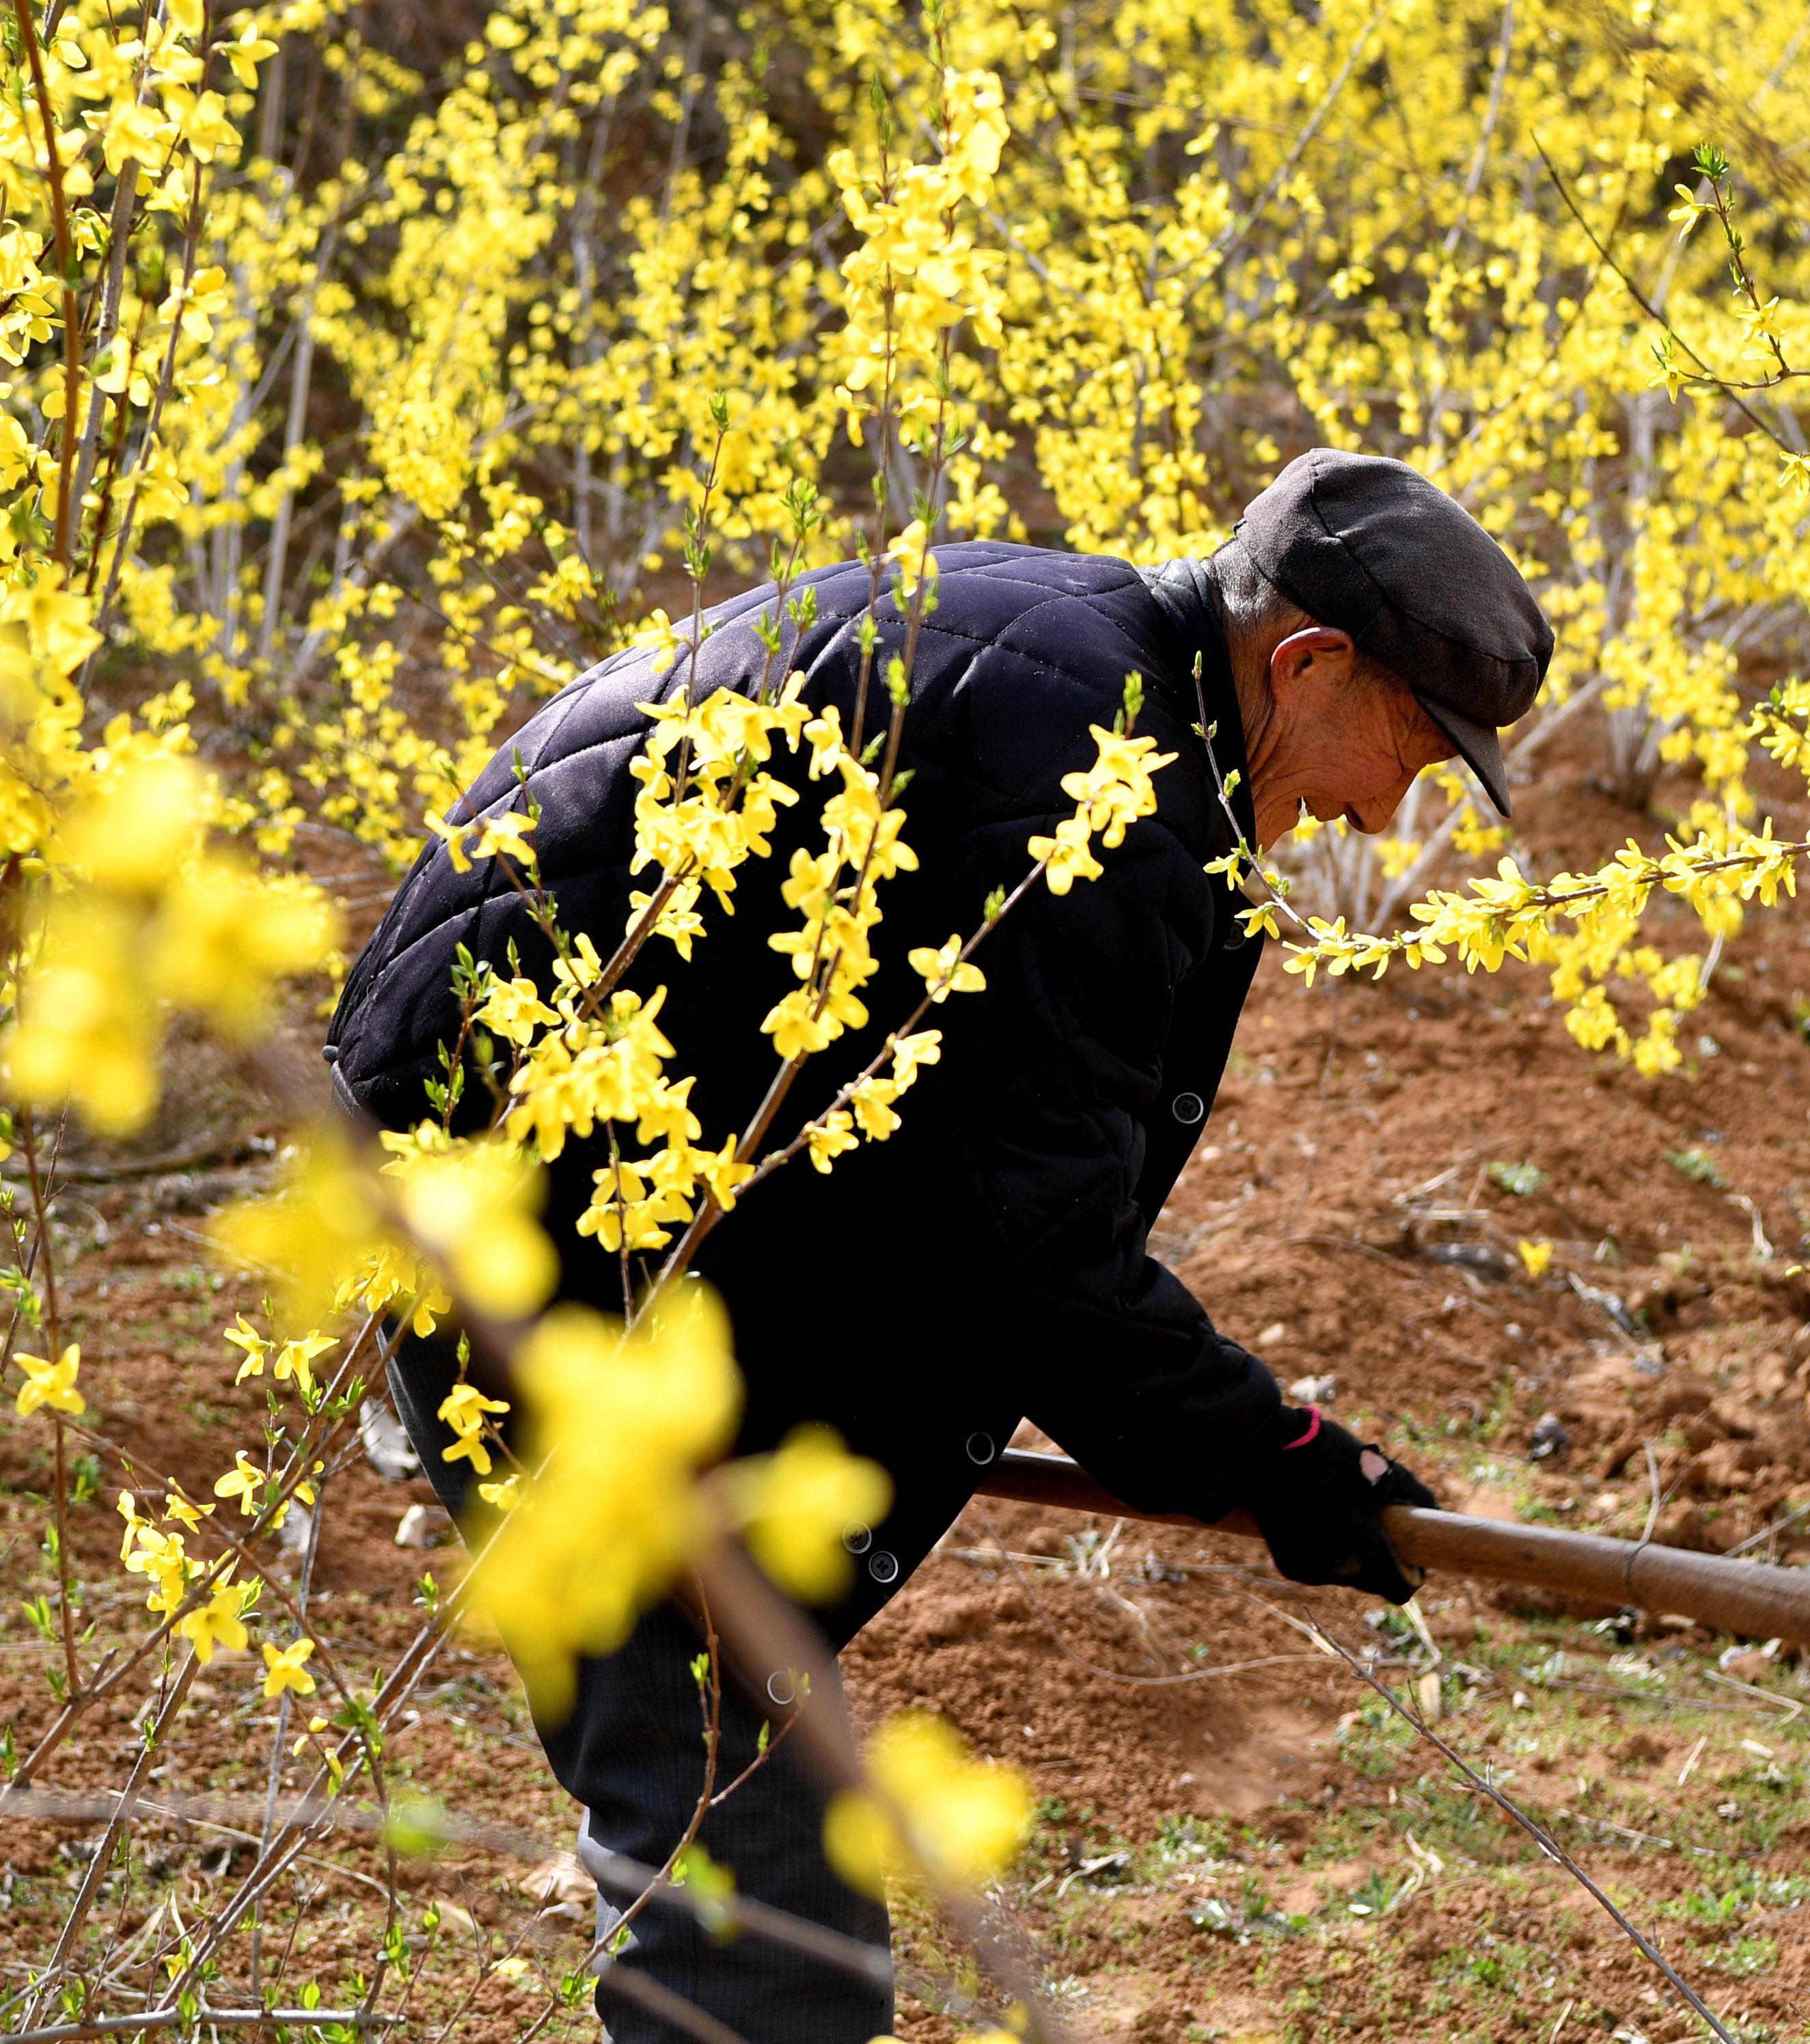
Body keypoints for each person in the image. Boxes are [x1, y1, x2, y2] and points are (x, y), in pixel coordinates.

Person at [323, 451, 1554, 2044]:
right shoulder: (1089, 771)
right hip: (525, 1234)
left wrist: (1246, 1446)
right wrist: (1279, 1452)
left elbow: (945, 1164)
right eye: (1405, 749)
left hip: (602, 1194)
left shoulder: (1089, 670)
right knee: (740, 1832)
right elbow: (1023, 1242)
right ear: (1306, 661)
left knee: (745, 1767)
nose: (1383, 808)